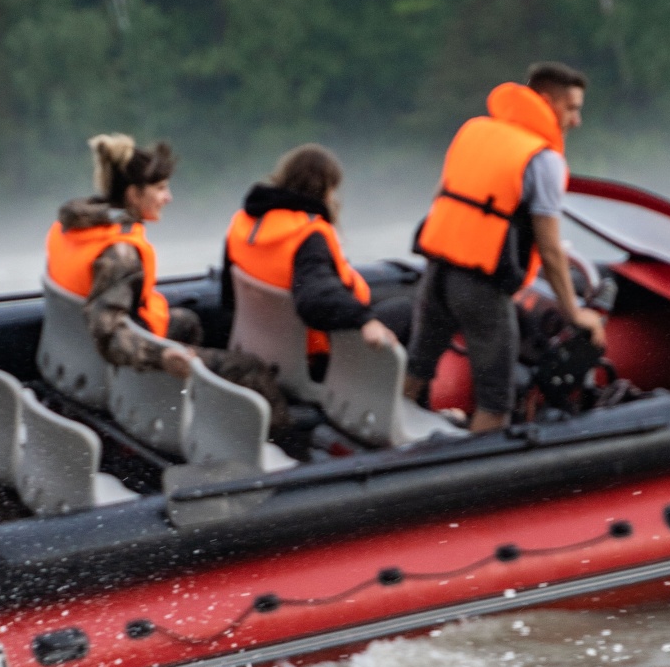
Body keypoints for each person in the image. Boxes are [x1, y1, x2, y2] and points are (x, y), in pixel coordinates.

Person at [407, 62, 607, 435]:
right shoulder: (544, 160)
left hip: (438, 272)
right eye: (572, 108)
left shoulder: (475, 131)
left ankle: (384, 453)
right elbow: (548, 247)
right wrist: (574, 312)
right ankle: (472, 482)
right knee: (496, 403)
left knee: (417, 370)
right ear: (546, 102)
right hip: (481, 288)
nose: (577, 120)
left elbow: (443, 200)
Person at [47, 134, 288, 415]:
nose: (168, 198)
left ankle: (189, 409)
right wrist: (162, 357)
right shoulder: (120, 253)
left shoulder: (74, 229)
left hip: (74, 360)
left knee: (188, 324)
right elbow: (108, 334)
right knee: (251, 369)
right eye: (160, 188)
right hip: (119, 364)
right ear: (133, 194)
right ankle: (293, 449)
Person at [223, 144, 410, 373]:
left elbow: (229, 298)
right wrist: (365, 320)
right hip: (316, 359)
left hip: (261, 348)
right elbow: (315, 299)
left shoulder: (241, 224)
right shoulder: (309, 236)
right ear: (327, 190)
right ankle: (415, 402)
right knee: (407, 311)